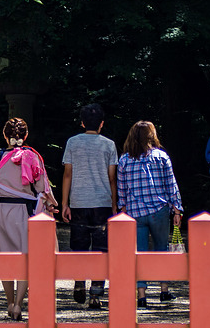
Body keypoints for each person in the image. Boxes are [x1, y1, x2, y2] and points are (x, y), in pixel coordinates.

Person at [0, 118, 57, 321]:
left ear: (4, 135)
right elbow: (42, 188)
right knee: (26, 256)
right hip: (25, 211)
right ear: (25, 136)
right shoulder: (32, 157)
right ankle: (18, 304)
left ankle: (8, 301)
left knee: (4, 257)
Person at [116, 120, 183, 309]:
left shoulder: (124, 160)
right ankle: (163, 290)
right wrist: (177, 209)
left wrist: (123, 210)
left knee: (139, 253)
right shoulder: (161, 157)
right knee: (162, 248)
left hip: (135, 212)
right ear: (151, 136)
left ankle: (141, 295)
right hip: (159, 211)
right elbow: (171, 185)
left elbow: (122, 191)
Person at [60, 103, 118, 310]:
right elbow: (112, 178)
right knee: (101, 249)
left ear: (82, 122)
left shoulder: (72, 143)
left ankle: (78, 282)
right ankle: (96, 293)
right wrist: (114, 204)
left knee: (79, 246)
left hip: (78, 202)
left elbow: (68, 173)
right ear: (102, 123)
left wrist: (65, 203)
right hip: (102, 202)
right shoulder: (109, 145)